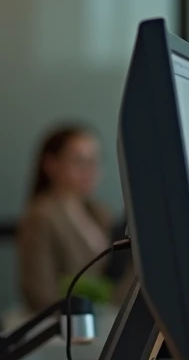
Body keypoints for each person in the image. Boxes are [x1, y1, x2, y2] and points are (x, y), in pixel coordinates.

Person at [18, 124, 122, 313]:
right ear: (51, 165)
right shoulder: (40, 217)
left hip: (109, 318)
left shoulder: (101, 213)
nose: (90, 170)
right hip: (69, 322)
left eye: (95, 161)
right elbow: (39, 294)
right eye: (80, 161)